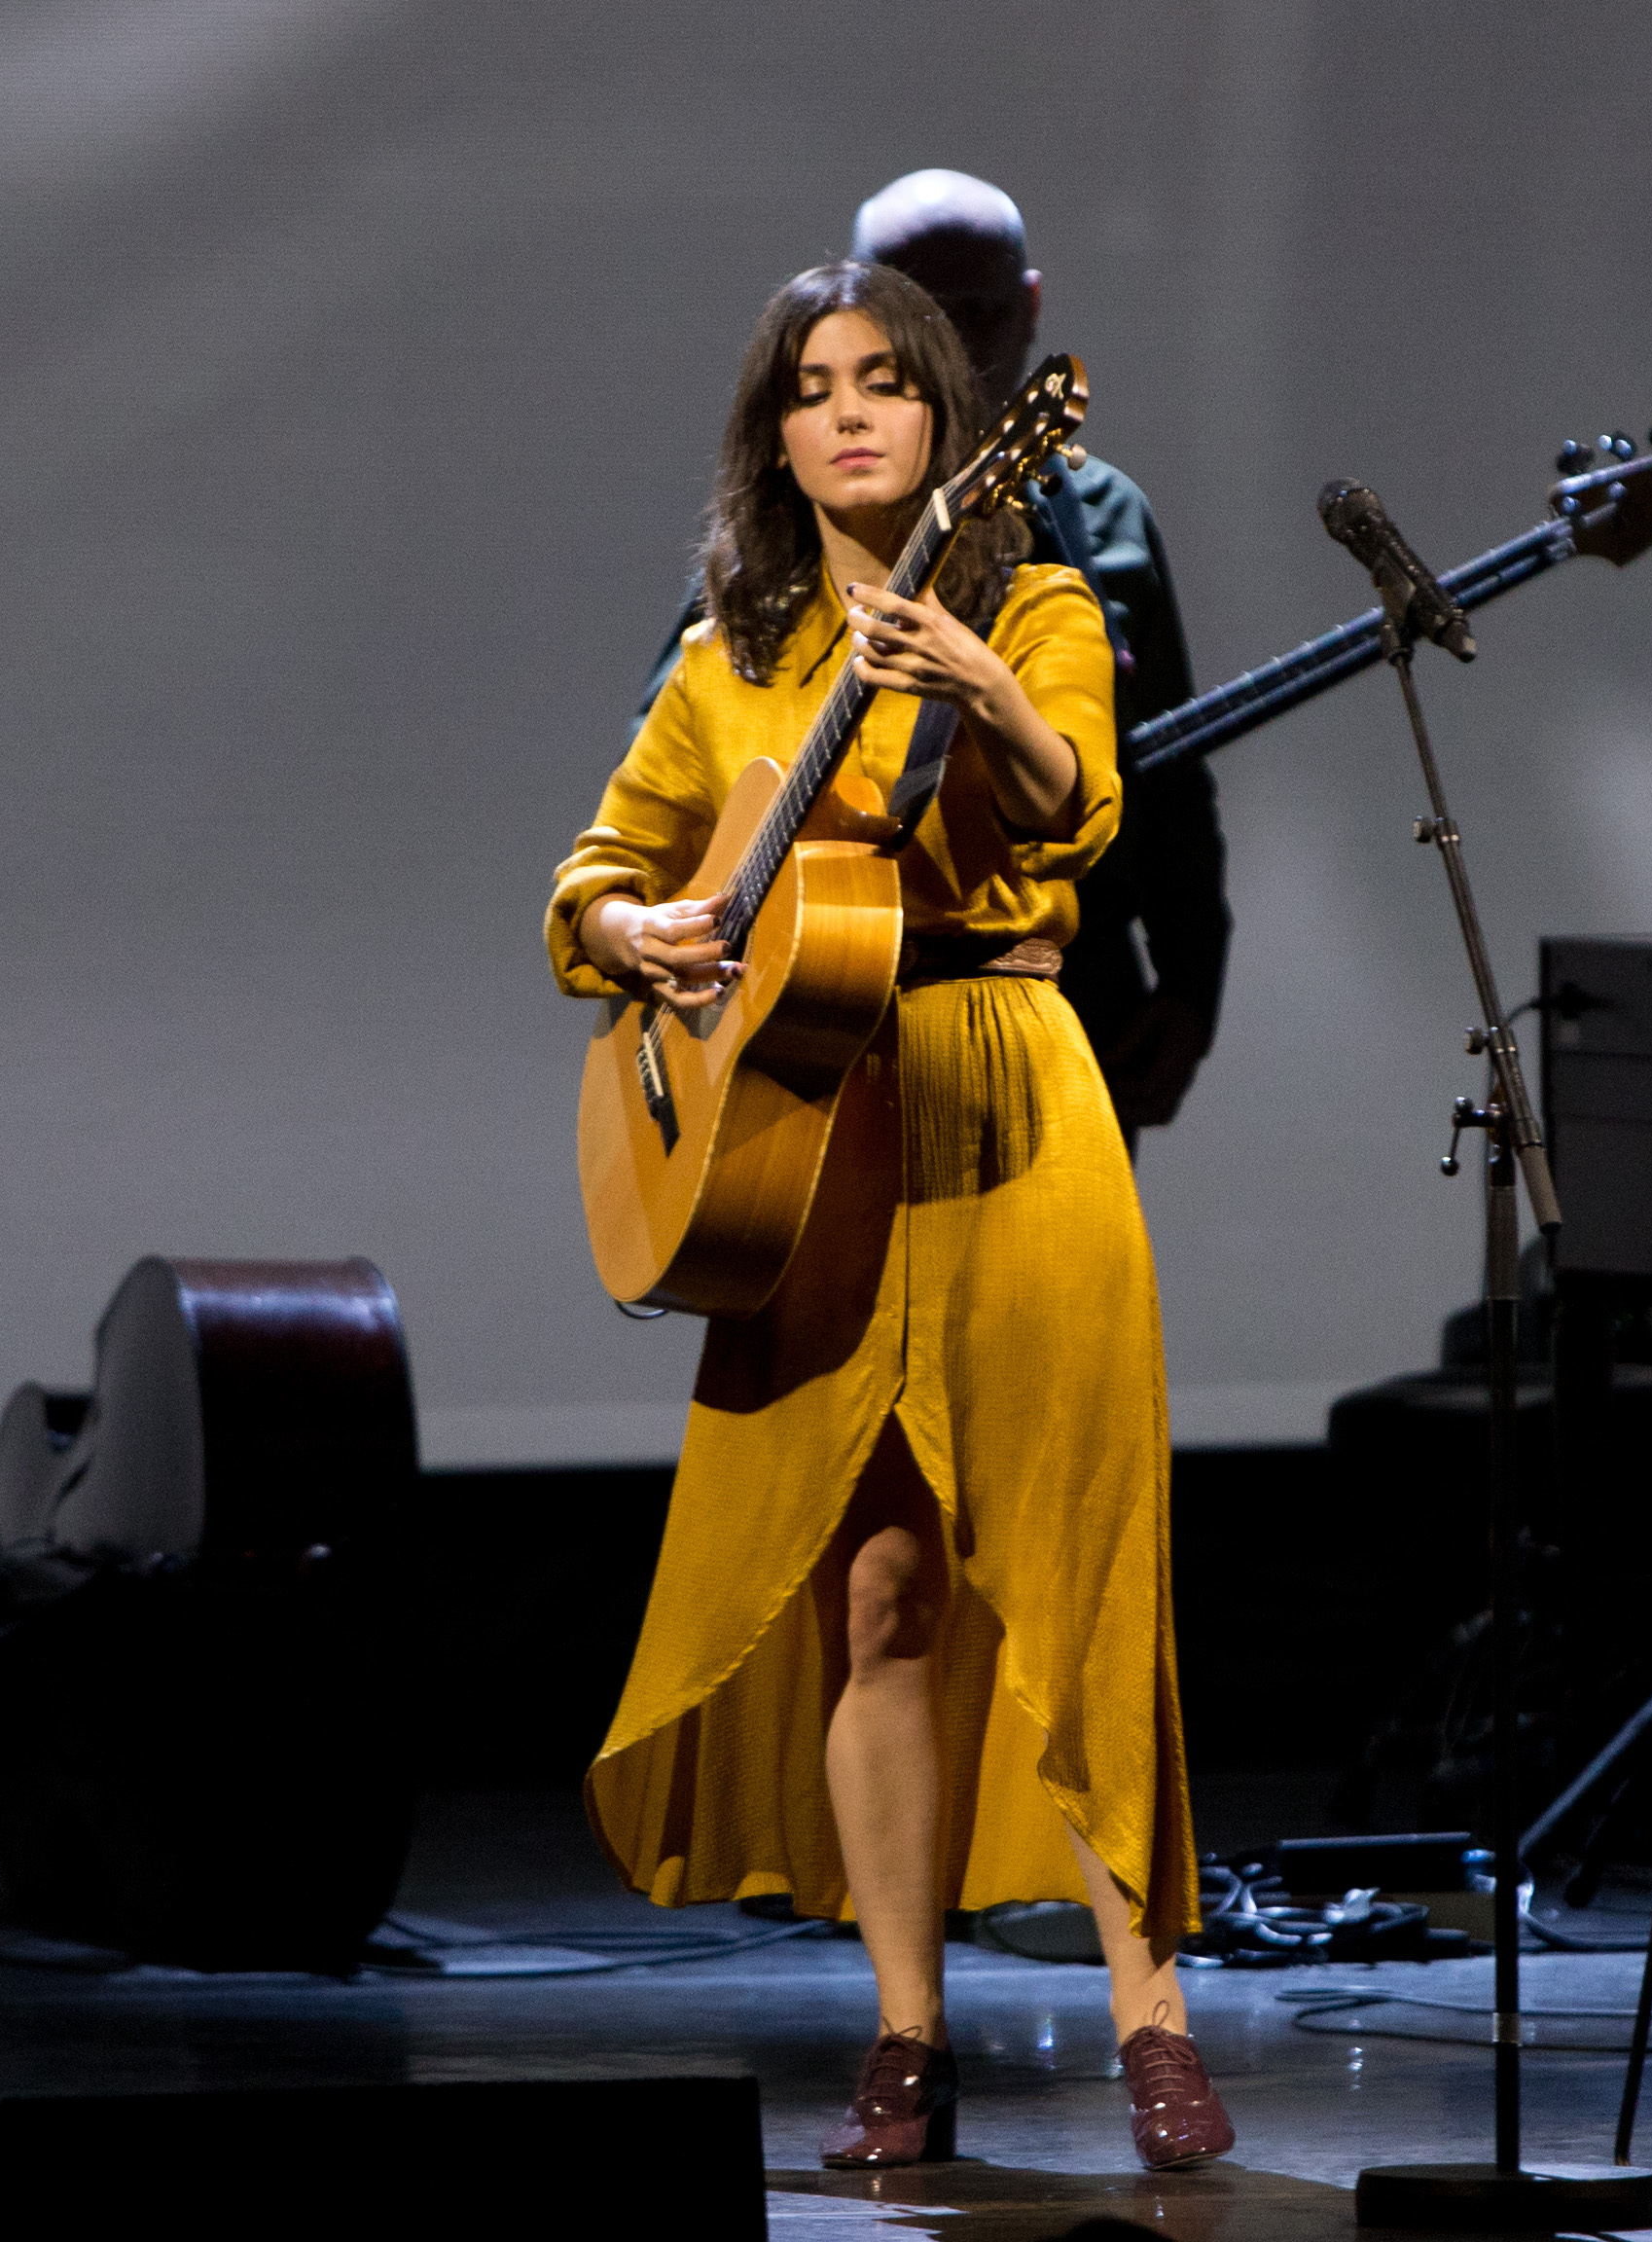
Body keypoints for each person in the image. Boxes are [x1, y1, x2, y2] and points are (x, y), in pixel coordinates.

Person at [546, 260, 1235, 2174]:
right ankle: (906, 2039)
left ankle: (1151, 2016)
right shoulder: (723, 656)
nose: (847, 411)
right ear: (774, 435)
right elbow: (592, 877)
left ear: (950, 418)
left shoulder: (1033, 597)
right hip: (804, 1139)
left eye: (883, 381)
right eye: (810, 386)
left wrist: (993, 693)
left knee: (1081, 1559)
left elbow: (1079, 807)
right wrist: (645, 927)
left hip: (1004, 1095)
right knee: (873, 1592)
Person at [629, 169, 1230, 1141]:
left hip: (1055, 996)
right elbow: (670, 773)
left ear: (1030, 309)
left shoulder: (1103, 519)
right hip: (807, 999)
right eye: (917, 319)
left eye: (979, 313)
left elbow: (1165, 773)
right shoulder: (787, 525)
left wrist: (1192, 987)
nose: (949, 351)